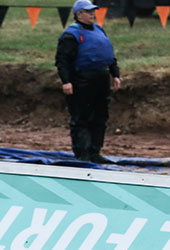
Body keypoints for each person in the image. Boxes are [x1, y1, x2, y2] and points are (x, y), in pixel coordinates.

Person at [56, 0, 121, 163]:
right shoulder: (71, 35)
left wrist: (116, 74)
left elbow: (109, 56)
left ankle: (94, 152)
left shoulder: (99, 30)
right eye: (88, 11)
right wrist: (66, 81)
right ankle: (82, 154)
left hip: (101, 78)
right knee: (81, 117)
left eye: (93, 11)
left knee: (100, 117)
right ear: (79, 14)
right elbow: (62, 60)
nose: (92, 14)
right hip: (81, 79)